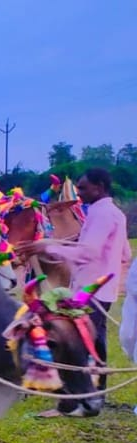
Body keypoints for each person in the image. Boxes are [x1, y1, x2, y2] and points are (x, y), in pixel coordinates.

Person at [35, 168, 131, 418]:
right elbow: (125, 254)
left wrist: (50, 249)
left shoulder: (101, 214)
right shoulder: (114, 213)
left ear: (99, 187)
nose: (79, 193)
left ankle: (72, 404)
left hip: (91, 291)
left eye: (84, 188)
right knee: (96, 345)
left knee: (76, 346)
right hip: (104, 290)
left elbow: (89, 252)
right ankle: (94, 399)